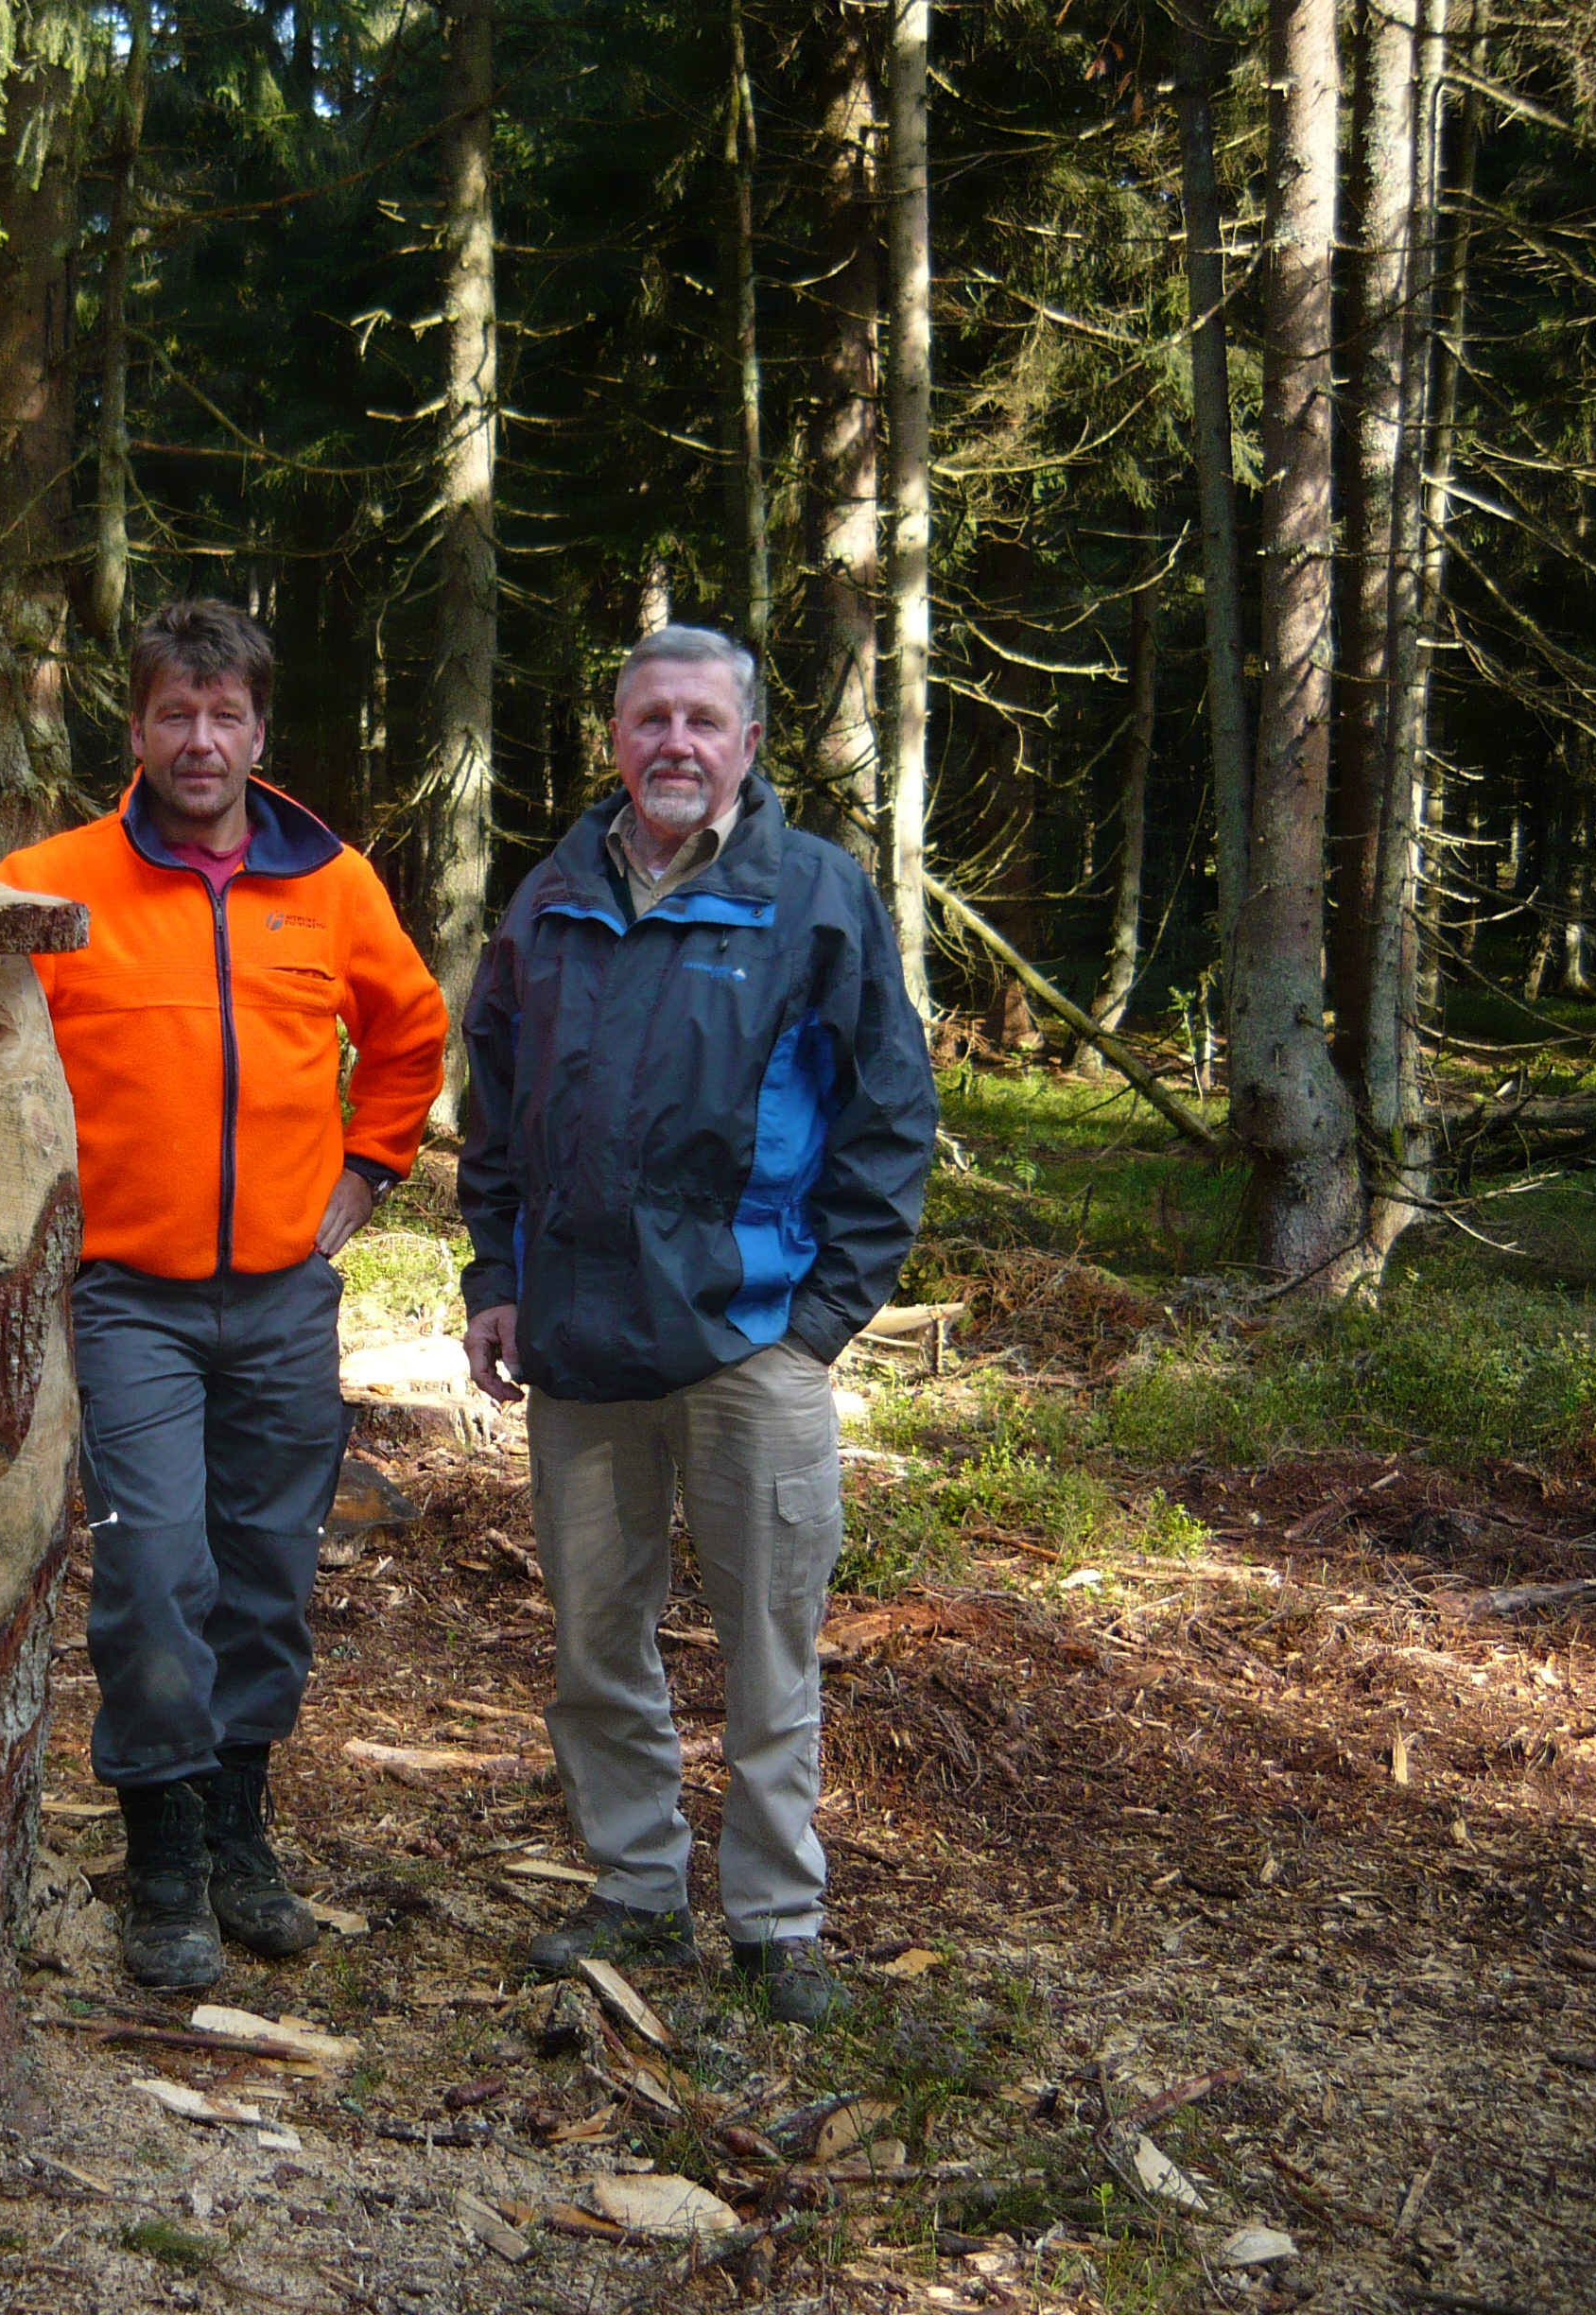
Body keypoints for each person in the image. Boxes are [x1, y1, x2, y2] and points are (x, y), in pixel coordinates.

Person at [457, 623, 936, 2028]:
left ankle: (777, 1921)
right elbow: (496, 1110)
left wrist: (822, 1318)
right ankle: (638, 1890)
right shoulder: (550, 898)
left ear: (747, 744)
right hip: (585, 1350)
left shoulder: (815, 897)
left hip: (752, 1350)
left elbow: (889, 1114)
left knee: (772, 1650)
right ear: (615, 738)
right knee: (597, 1643)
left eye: (701, 721)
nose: (674, 743)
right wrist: (500, 1278)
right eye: (649, 718)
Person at [0, 599, 447, 1989]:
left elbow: (413, 1028)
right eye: (175, 715)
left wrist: (365, 1177)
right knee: (150, 1565)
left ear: (260, 731)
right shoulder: (50, 885)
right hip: (127, 1295)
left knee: (266, 1571)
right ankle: (162, 1855)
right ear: (135, 730)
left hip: (282, 1299)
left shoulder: (331, 883)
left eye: (227, 715)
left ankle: (243, 1831)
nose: (202, 740)